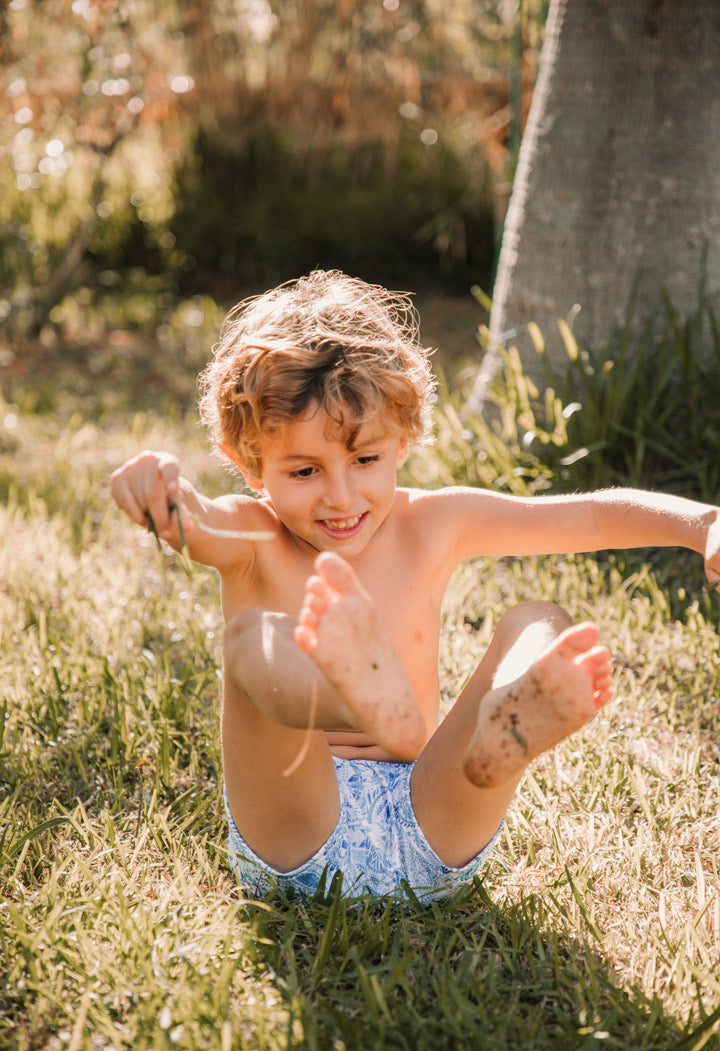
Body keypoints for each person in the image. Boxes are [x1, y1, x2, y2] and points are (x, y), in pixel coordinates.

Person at [110, 270, 720, 904]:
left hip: (429, 810)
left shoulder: (435, 522)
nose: (340, 497)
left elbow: (584, 516)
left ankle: (498, 738)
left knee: (540, 619)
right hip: (298, 828)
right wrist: (163, 492)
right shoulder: (252, 535)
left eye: (365, 460)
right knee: (254, 640)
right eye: (303, 470)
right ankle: (345, 696)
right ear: (248, 463)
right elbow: (197, 521)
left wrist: (702, 522)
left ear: (403, 436)